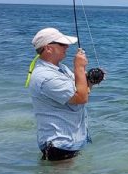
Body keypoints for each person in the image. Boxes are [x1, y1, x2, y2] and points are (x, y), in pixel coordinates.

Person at [28, 27, 94, 161]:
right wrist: (79, 67)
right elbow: (81, 98)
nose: (67, 46)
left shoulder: (61, 68)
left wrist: (91, 80)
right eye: (62, 44)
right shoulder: (46, 77)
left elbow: (82, 91)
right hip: (58, 145)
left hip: (70, 142)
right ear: (48, 48)